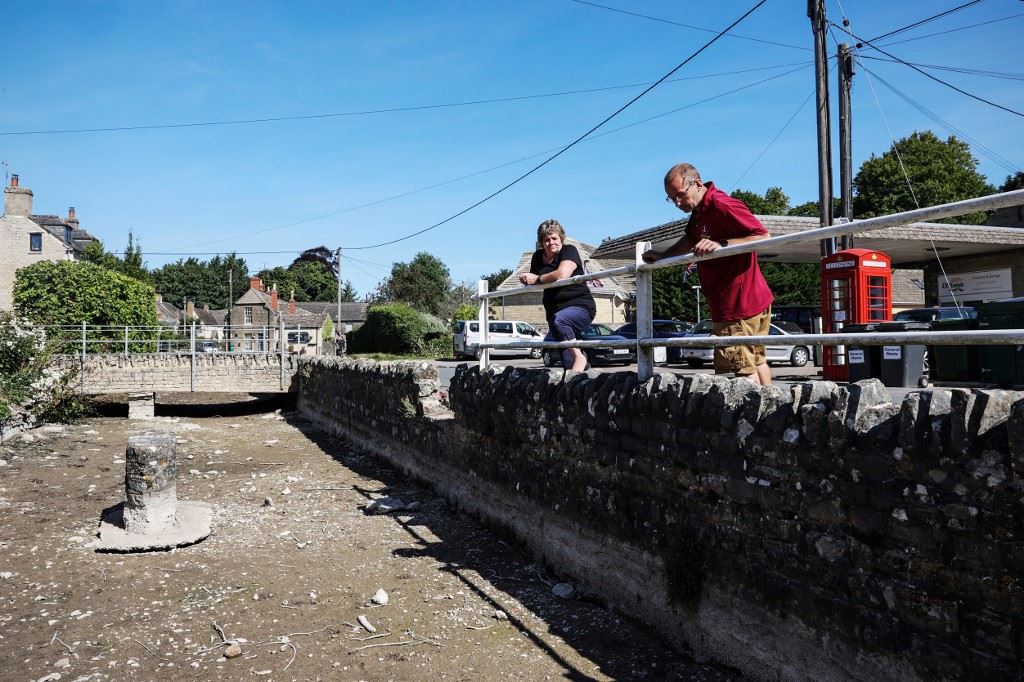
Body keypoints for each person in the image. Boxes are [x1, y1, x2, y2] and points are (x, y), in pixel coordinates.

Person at [643, 163, 774, 385]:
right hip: (743, 300)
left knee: (741, 367)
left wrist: (721, 244)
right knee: (757, 360)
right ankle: (771, 414)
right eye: (671, 199)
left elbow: (763, 236)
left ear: (697, 184)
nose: (676, 203)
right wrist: (663, 256)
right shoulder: (699, 211)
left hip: (737, 303)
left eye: (679, 195)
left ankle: (749, 417)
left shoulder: (722, 204)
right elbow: (690, 239)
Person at [519, 219, 596, 371]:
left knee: (561, 322)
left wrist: (538, 279)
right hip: (553, 311)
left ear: (561, 238)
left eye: (554, 238)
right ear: (541, 242)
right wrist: (526, 278)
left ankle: (580, 357)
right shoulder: (537, 257)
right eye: (546, 239)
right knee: (568, 362)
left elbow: (562, 274)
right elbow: (532, 279)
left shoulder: (569, 251)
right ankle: (580, 381)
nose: (551, 242)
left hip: (579, 306)